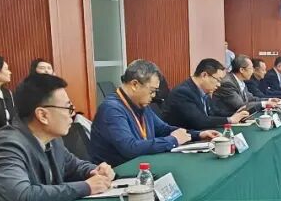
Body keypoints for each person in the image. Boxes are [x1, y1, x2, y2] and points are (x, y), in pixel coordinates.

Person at [89, 60, 220, 167]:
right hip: (118, 174)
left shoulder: (141, 104)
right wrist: (173, 140)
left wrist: (198, 135)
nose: (153, 96)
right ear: (135, 84)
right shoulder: (112, 109)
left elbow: (163, 129)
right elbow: (130, 148)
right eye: (152, 91)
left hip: (141, 166)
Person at [164, 59, 250, 130]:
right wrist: (230, 120)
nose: (219, 84)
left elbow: (213, 113)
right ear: (204, 75)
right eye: (218, 80)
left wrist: (234, 114)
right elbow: (199, 121)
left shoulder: (204, 91)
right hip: (184, 140)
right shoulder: (183, 92)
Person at [25, 58, 93, 135]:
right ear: (34, 71)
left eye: (49, 68)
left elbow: (69, 107)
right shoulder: (29, 89)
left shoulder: (57, 88)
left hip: (62, 121)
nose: (46, 71)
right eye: (42, 68)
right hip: (45, 125)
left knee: (82, 121)